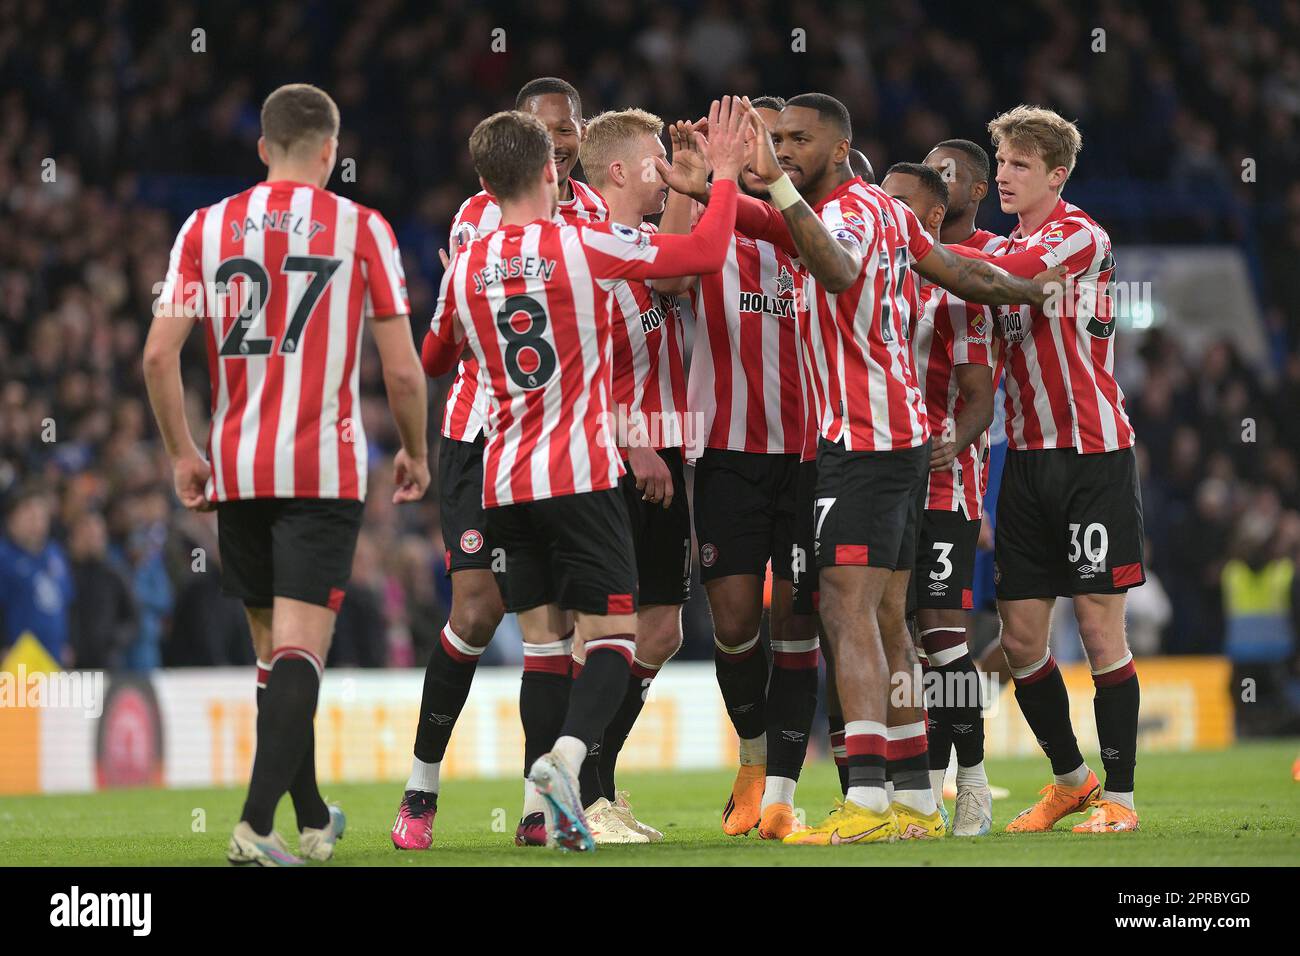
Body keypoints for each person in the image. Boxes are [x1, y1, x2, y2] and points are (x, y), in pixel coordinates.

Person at [725, 93, 1059, 845]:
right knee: (887, 620)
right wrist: (1041, 290)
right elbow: (969, 279)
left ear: (839, 150)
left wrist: (767, 180)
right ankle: (915, 798)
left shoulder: (841, 217)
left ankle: (869, 800)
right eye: (777, 139)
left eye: (799, 141)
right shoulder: (891, 213)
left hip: (865, 440)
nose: (783, 151)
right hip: (901, 437)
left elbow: (837, 272)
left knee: (846, 613)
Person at [419, 97, 749, 851]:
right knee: (611, 637)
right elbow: (694, 262)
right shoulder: (584, 242)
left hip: (503, 478)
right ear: (549, 171)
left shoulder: (469, 259)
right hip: (582, 468)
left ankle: (543, 801)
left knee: (548, 642)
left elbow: (437, 360)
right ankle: (566, 769)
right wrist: (722, 180)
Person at [143, 83, 429, 866]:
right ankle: (254, 827)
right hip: (321, 468)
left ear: (262, 147)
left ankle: (310, 817)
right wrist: (417, 451)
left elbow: (157, 355)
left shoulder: (203, 228)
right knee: (303, 653)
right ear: (331, 152)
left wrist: (182, 454)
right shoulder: (363, 228)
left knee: (274, 658)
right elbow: (403, 374)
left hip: (236, 466)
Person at [394, 77, 612, 851]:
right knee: (477, 612)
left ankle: (536, 806)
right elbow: (459, 346)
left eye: (568, 128)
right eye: (542, 130)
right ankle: (421, 790)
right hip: (482, 436)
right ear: (520, 137)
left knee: (554, 628)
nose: (557, 142)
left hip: (563, 444)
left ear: (582, 134)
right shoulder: (479, 221)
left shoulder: (593, 215)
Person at [982, 106, 1146, 834]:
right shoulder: (1000, 243)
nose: (1004, 174)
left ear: (1057, 174)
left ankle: (1125, 799)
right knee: (1020, 640)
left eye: (1021, 164)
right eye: (1001, 162)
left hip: (1091, 457)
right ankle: (1072, 781)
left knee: (1100, 630)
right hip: (1026, 460)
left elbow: (1014, 277)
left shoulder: (1080, 235)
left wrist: (920, 250)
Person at [660, 97, 820, 841]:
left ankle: (782, 790)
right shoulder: (711, 218)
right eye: (757, 133)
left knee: (796, 623)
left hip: (810, 454)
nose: (771, 147)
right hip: (724, 452)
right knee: (733, 623)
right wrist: (689, 191)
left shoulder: (814, 226)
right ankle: (753, 759)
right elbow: (665, 281)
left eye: (782, 136)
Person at [880, 161, 998, 836]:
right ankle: (919, 789)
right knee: (897, 641)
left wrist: (952, 440)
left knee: (946, 641)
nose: (878, 206)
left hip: (944, 485)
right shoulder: (868, 274)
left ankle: (973, 787)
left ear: (927, 216)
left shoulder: (953, 291)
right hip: (881, 480)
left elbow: (981, 397)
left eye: (895, 201)